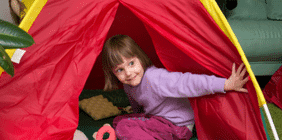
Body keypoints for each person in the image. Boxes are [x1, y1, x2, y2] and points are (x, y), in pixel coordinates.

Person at [101, 34, 249, 140]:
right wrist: (137, 117)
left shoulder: (155, 78)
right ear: (113, 73)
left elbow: (188, 82)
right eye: (120, 70)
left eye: (131, 63)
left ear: (140, 57)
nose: (128, 73)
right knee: (119, 121)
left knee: (123, 127)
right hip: (158, 120)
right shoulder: (128, 85)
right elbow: (137, 105)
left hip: (178, 126)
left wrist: (224, 84)